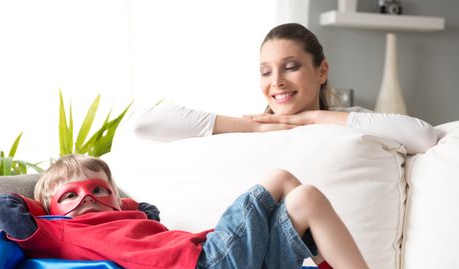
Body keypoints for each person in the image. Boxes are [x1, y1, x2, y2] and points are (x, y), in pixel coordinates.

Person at [0, 154, 454, 269]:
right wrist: (35, 207)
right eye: (69, 195)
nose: (85, 199)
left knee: (306, 197)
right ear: (51, 208)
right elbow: (17, 219)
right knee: (280, 176)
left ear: (116, 196)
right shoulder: (59, 230)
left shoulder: (128, 216)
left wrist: (130, 207)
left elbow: (132, 208)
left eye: (98, 190)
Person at [130, 23, 436, 155]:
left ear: (322, 71)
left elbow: (422, 135)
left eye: (290, 67)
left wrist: (313, 118)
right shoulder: (251, 128)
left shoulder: (349, 121)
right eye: (266, 71)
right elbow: (143, 125)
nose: (275, 81)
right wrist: (255, 128)